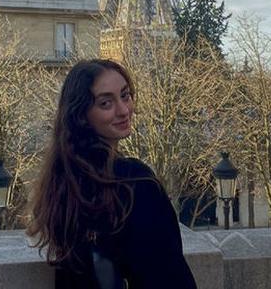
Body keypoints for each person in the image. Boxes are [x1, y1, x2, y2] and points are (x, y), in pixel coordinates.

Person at [27, 59, 197, 289]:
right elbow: (168, 275)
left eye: (125, 95)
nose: (124, 110)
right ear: (82, 114)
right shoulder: (134, 181)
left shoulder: (64, 183)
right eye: (106, 103)